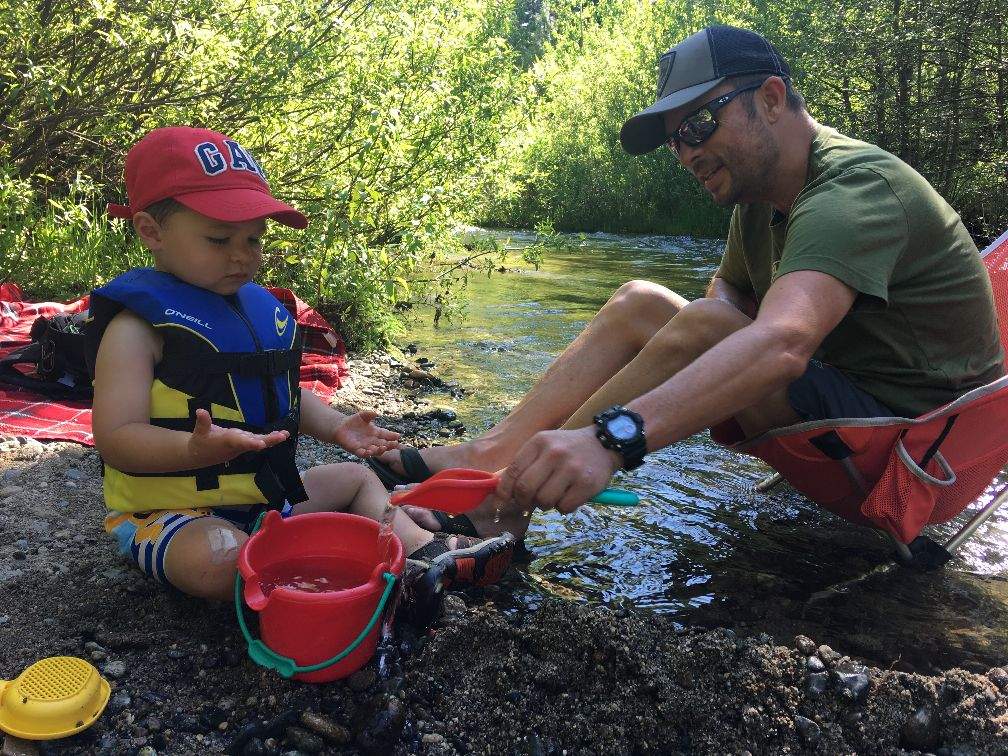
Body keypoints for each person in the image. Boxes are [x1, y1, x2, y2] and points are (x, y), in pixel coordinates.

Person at [368, 25, 1004, 541]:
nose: (687, 153)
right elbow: (725, 299)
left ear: (774, 99)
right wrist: (713, 325)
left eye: (700, 124)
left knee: (710, 326)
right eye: (675, 142)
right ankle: (494, 452)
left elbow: (781, 342)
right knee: (641, 301)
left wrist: (609, 440)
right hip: (846, 411)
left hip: (918, 446)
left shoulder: (853, 191)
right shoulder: (759, 201)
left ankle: (506, 496)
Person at [91, 126, 514, 600]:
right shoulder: (134, 330)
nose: (243, 256)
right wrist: (192, 450)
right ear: (152, 231)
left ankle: (422, 552)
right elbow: (116, 438)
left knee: (355, 477)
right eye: (218, 239)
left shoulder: (255, 310)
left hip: (263, 502)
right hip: (171, 514)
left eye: (254, 239)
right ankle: (322, 570)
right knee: (221, 561)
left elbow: (283, 395)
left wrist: (337, 428)